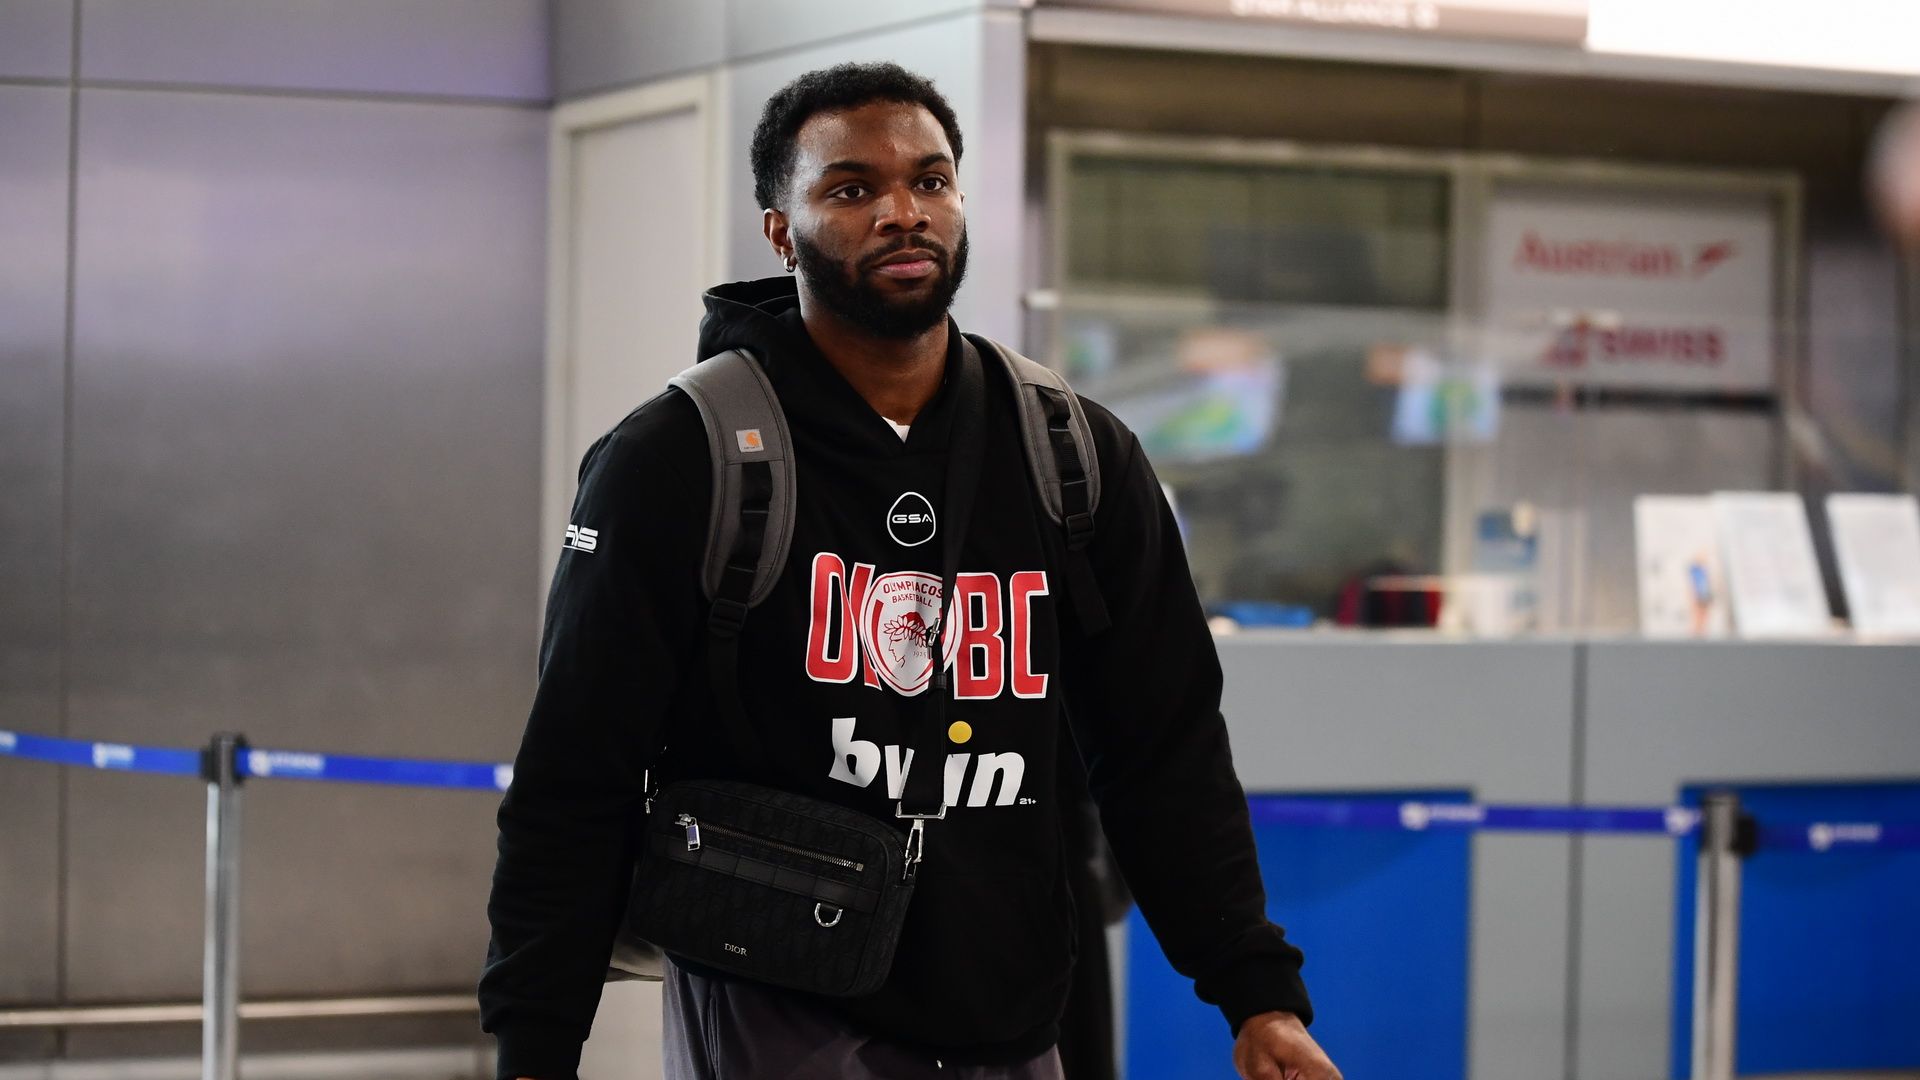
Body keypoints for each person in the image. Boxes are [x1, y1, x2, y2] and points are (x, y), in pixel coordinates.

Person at [479, 62, 1340, 1080]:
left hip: (1010, 1008)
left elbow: (1164, 748)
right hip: (776, 997)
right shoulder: (680, 457)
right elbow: (578, 769)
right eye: (852, 189)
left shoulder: (1072, 454)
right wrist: (536, 1045)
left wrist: (1255, 992)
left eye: (930, 180)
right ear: (780, 230)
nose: (902, 212)